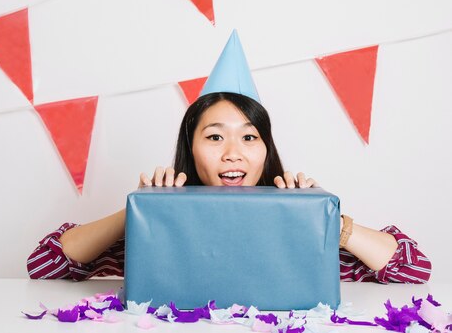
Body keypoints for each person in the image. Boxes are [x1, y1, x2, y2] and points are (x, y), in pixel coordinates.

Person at [27, 92, 432, 283]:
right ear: (191, 149)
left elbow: (414, 267)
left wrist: (322, 217)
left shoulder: (304, 229)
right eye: (216, 137)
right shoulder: (157, 233)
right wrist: (143, 208)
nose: (233, 153)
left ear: (266, 150)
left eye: (250, 138)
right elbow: (45, 264)